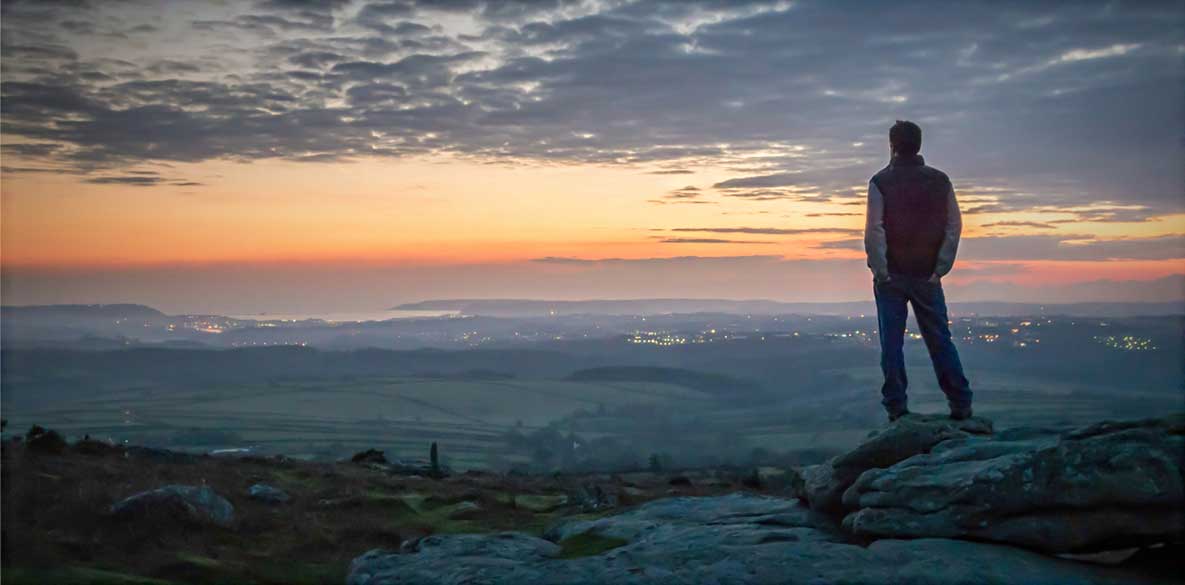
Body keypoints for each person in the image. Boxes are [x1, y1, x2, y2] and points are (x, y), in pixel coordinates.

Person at [864, 120, 973, 422]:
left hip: (892, 277)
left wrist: (881, 269)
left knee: (892, 343)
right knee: (939, 339)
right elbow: (954, 226)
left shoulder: (881, 181)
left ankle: (897, 409)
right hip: (928, 275)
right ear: (919, 145)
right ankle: (960, 403)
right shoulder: (940, 180)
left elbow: (875, 229)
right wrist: (940, 269)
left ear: (892, 146)